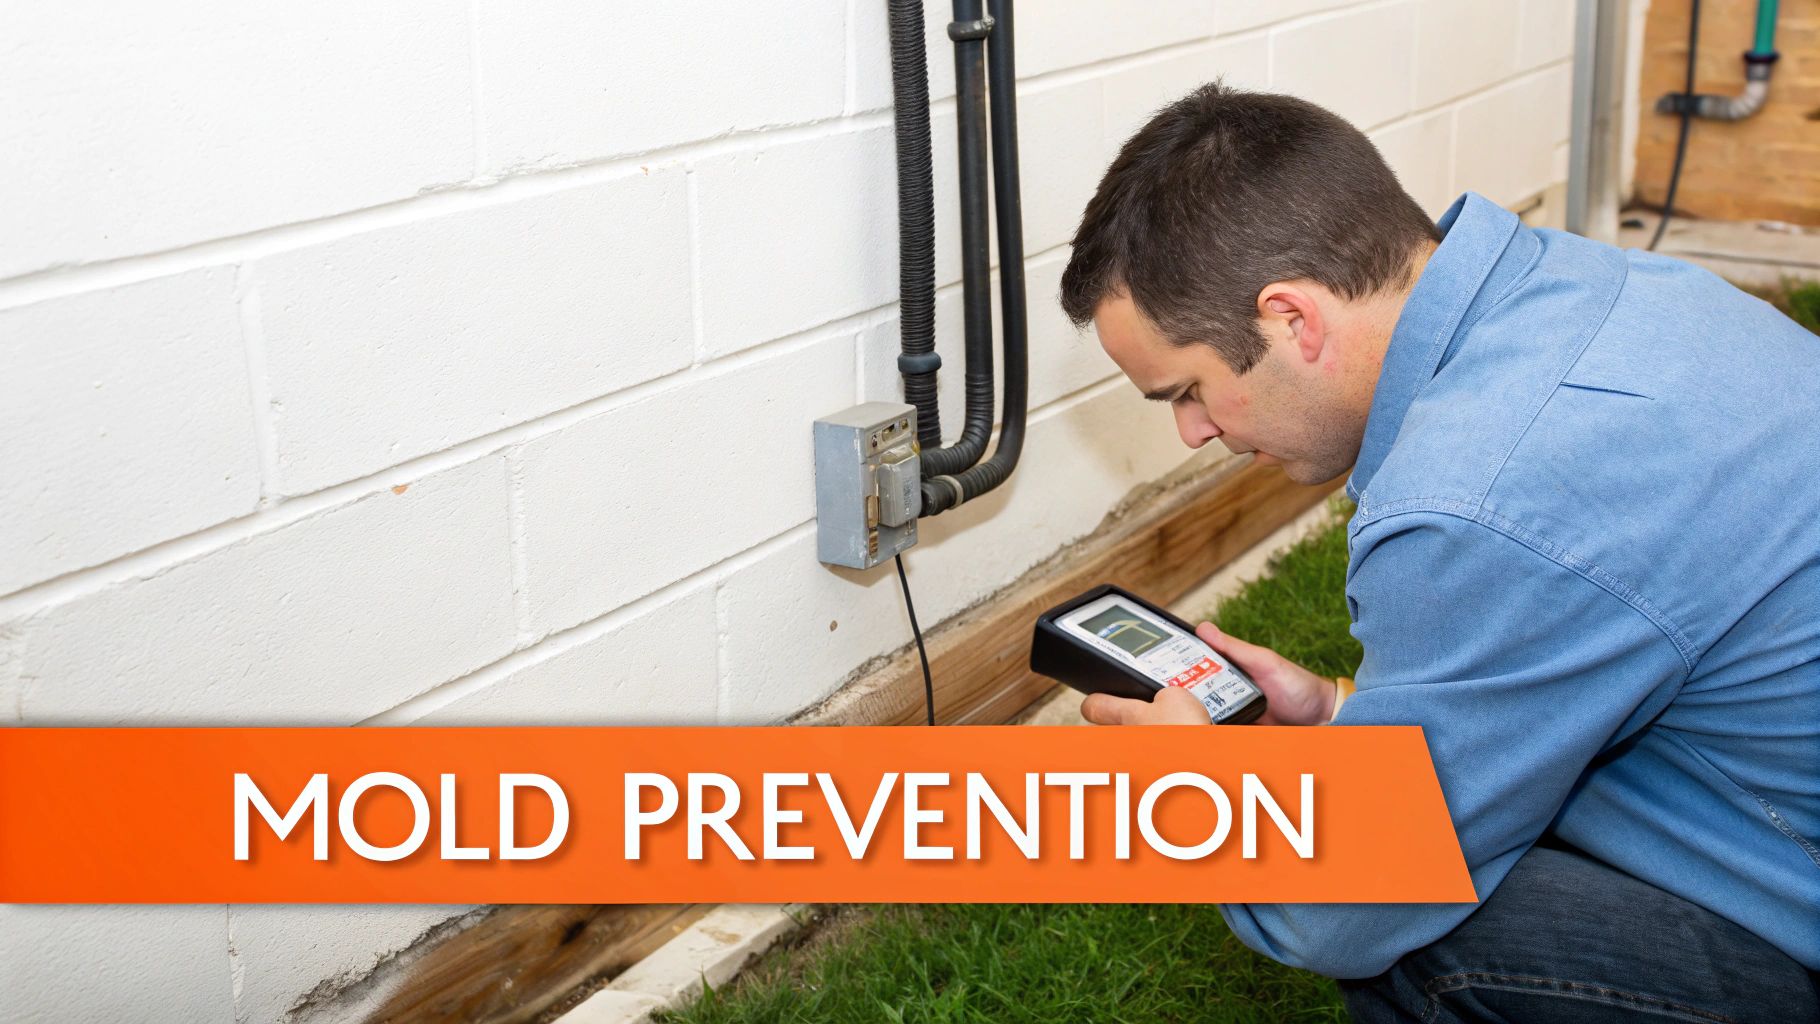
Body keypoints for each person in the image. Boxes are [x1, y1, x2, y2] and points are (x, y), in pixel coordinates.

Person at [1061, 83, 1820, 1023]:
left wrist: (1202, 796)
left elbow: (1335, 909)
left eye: (1188, 390)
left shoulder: (1478, 497)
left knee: (1412, 925)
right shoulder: (1591, 288)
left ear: (1291, 319)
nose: (1191, 432)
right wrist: (1344, 717)